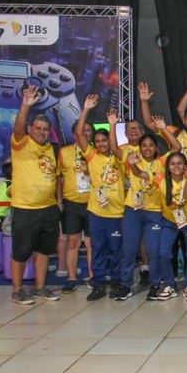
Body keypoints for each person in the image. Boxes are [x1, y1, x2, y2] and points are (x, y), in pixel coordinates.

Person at [110, 110, 181, 301]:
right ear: (140, 147)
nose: (147, 148)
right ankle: (126, 285)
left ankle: (155, 284)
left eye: (151, 145)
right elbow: (114, 147)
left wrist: (163, 129)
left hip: (154, 212)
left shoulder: (162, 162)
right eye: (144, 146)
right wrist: (112, 125)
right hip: (133, 210)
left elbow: (177, 146)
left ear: (156, 148)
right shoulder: (131, 157)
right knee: (129, 250)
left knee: (153, 250)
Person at [8, 85, 61, 304]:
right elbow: (18, 128)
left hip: (48, 208)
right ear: (30, 128)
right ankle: (17, 290)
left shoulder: (52, 149)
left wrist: (58, 202)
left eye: (45, 129)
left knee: (44, 250)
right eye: (37, 128)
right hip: (25, 208)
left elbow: (56, 177)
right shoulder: (21, 143)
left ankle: (40, 288)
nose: (41, 132)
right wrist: (25, 105)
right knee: (21, 251)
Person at [74, 95, 126, 300]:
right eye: (98, 141)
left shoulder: (119, 156)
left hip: (116, 212)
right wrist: (85, 109)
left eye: (104, 140)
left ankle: (117, 282)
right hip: (96, 211)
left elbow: (114, 146)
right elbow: (79, 133)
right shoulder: (91, 155)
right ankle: (98, 284)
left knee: (116, 250)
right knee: (98, 249)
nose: (102, 144)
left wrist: (112, 125)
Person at [156, 151, 187, 301]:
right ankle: (170, 285)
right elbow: (142, 175)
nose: (176, 166)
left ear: (185, 166)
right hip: (169, 221)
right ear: (168, 166)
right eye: (172, 164)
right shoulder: (161, 180)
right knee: (164, 253)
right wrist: (133, 165)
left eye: (179, 163)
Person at [56, 120, 95, 293]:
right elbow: (58, 177)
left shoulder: (95, 151)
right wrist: (59, 200)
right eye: (81, 130)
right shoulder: (64, 152)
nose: (85, 133)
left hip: (92, 203)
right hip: (71, 202)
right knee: (72, 241)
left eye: (88, 130)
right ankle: (71, 278)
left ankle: (93, 276)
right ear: (74, 133)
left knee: (90, 243)